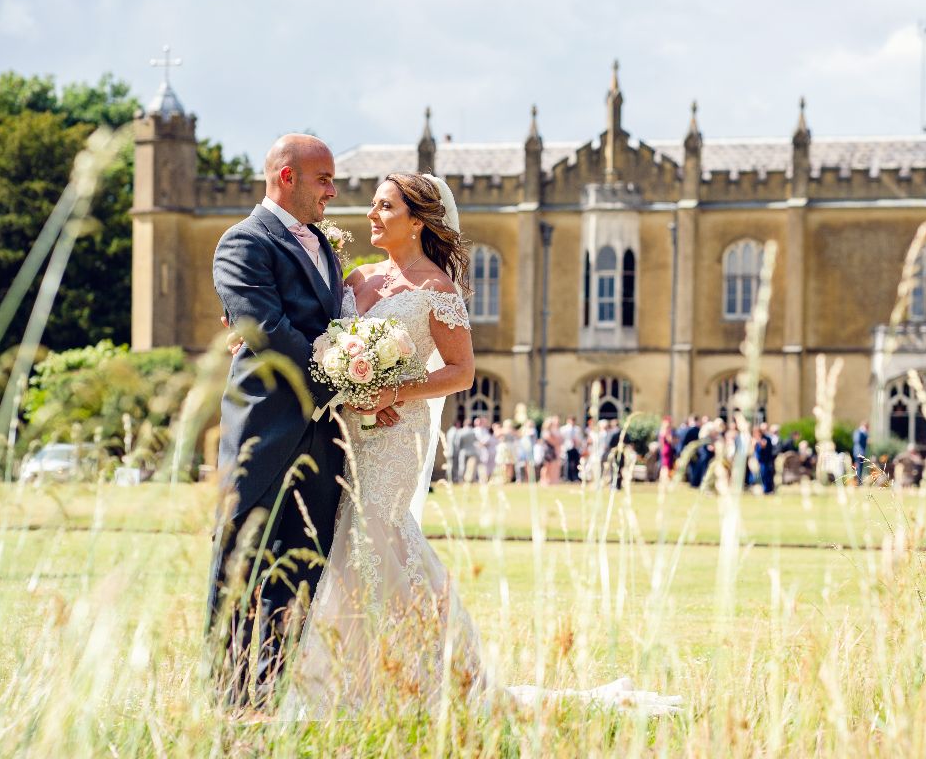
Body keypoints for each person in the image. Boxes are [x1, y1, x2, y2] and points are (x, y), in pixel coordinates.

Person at [280, 173, 678, 718]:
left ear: (417, 221)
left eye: (383, 207)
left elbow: (462, 372)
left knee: (380, 533)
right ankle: (357, 674)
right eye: (371, 205)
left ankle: (426, 673)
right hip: (347, 431)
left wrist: (391, 389)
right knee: (351, 540)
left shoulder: (438, 292)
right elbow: (322, 340)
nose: (370, 215)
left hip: (397, 432)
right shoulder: (354, 280)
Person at [208, 134, 376, 709]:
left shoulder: (324, 246)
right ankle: (233, 699)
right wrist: (347, 380)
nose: (333, 189)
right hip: (268, 435)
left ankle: (279, 694)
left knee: (303, 570)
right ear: (287, 177)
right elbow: (270, 333)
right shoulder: (243, 243)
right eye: (324, 179)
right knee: (245, 565)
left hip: (325, 441)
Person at [753, 426, 776, 495]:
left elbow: (767, 449)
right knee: (762, 476)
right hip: (760, 461)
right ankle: (765, 489)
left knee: (767, 475)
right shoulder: (756, 440)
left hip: (766, 460)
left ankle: (768, 490)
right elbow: (756, 451)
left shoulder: (766, 439)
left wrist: (761, 444)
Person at [658, 416, 676, 481]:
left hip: (664, 449)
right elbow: (670, 440)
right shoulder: (667, 431)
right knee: (666, 466)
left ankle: (662, 477)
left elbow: (661, 442)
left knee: (664, 465)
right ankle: (666, 478)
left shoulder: (661, 430)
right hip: (668, 449)